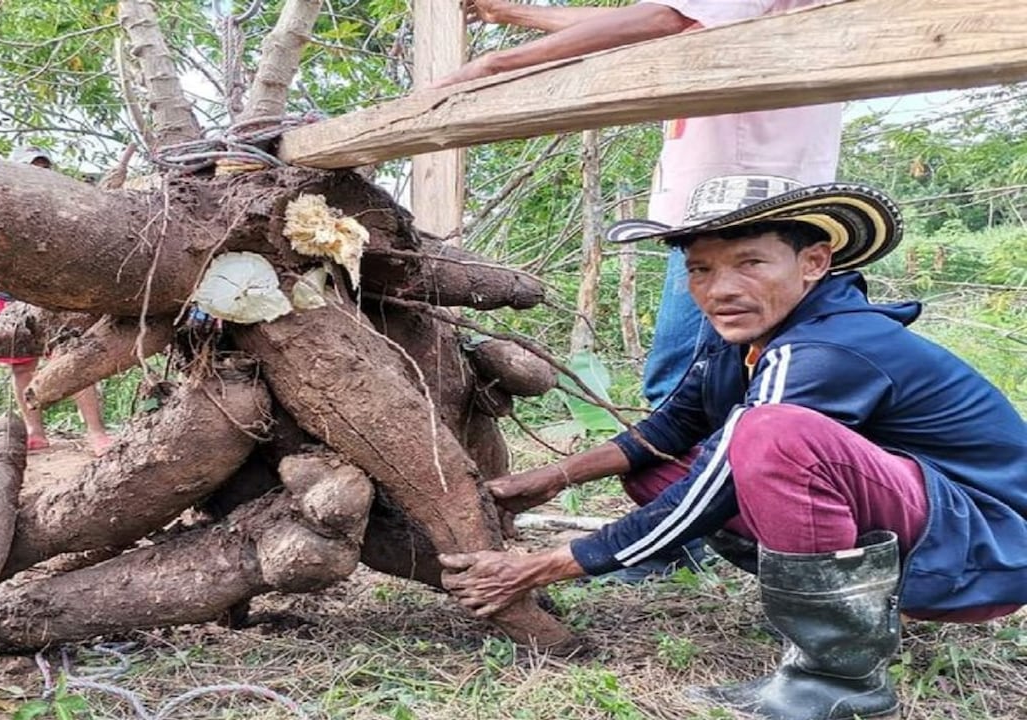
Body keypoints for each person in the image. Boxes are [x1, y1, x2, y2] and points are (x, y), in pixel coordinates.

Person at [438, 176, 1027, 720]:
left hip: (985, 545)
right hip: (928, 522)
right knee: (658, 470)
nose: (720, 290)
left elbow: (720, 480)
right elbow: (671, 429)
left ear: (814, 262)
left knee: (771, 434)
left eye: (750, 263)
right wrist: (547, 479)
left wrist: (543, 566)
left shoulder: (827, 347)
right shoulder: (747, 337)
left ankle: (836, 681)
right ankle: (836, 610)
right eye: (700, 270)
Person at [436, 0, 843, 408]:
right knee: (726, 380)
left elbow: (663, 18)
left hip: (737, 217)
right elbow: (654, 15)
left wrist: (497, 64)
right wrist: (510, 14)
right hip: (726, 217)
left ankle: (710, 451)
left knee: (683, 387)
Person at [0, 146, 112, 456]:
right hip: (11, 303)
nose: (38, 173)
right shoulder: (1, 214)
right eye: (31, 167)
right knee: (22, 368)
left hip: (58, 301)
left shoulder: (65, 209)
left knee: (73, 363)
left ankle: (96, 433)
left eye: (43, 168)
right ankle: (35, 432)